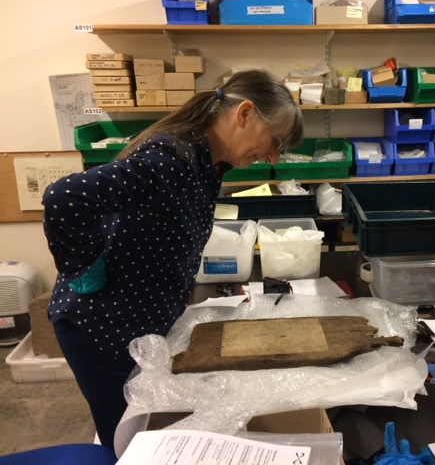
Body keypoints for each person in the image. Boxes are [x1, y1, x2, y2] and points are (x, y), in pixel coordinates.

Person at [42, 69, 304, 450]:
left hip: (138, 323)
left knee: (155, 435)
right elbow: (64, 197)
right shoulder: (172, 158)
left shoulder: (208, 161)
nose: (272, 157)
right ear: (244, 114)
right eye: (275, 140)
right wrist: (84, 267)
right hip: (102, 327)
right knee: (130, 445)